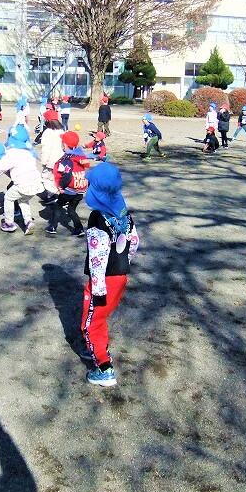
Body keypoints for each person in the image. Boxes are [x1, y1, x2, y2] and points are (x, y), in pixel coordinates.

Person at [81, 162, 140, 387]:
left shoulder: (97, 218)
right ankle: (96, 349)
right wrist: (125, 263)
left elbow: (98, 254)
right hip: (120, 276)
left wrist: (97, 287)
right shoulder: (123, 212)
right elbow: (134, 241)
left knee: (89, 324)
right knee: (100, 318)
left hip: (103, 279)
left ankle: (104, 369)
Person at [0, 125, 44, 235]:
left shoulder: (12, 152)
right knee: (23, 200)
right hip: (36, 183)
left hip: (23, 184)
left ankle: (9, 223)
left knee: (8, 197)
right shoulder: (29, 151)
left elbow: (1, 167)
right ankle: (28, 221)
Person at [45, 131, 90, 236]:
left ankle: (52, 227)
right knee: (71, 209)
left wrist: (61, 186)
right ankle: (79, 229)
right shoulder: (81, 156)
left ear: (65, 145)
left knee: (58, 206)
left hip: (69, 190)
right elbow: (86, 168)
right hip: (80, 189)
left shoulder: (66, 160)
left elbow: (67, 175)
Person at [38, 111, 65, 204]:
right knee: (55, 178)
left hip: (51, 159)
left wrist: (44, 161)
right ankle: (52, 195)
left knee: (45, 178)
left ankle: (53, 195)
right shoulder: (61, 131)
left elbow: (46, 148)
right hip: (60, 158)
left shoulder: (47, 132)